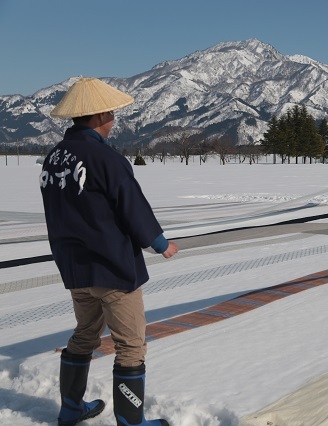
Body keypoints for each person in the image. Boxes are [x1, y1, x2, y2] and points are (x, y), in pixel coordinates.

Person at [40, 77, 178, 426]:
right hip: (112, 269)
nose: (114, 119)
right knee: (131, 345)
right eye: (112, 113)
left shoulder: (54, 157)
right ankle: (131, 422)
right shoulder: (105, 158)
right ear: (99, 114)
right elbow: (132, 207)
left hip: (75, 269)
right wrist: (160, 243)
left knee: (84, 334)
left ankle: (71, 409)